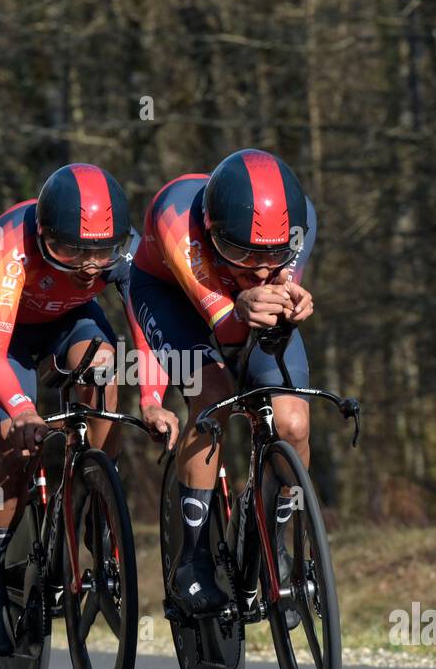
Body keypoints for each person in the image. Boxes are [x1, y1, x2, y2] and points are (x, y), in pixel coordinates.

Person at [0, 163, 177, 656]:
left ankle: (93, 487)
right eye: (70, 252)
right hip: (5, 334)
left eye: (99, 253)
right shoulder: (10, 245)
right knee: (17, 453)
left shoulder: (123, 255)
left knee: (106, 365)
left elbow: (146, 332)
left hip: (69, 320)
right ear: (43, 238)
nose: (87, 267)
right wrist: (20, 408)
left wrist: (151, 400)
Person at [129, 149, 317, 623]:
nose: (257, 269)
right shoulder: (177, 219)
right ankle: (191, 556)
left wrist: (291, 298)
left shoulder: (303, 219)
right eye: (242, 253)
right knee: (212, 394)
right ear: (215, 233)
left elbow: (272, 291)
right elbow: (230, 335)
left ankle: (276, 543)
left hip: (239, 304)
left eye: (271, 256)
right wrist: (245, 301)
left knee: (293, 420)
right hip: (173, 296)